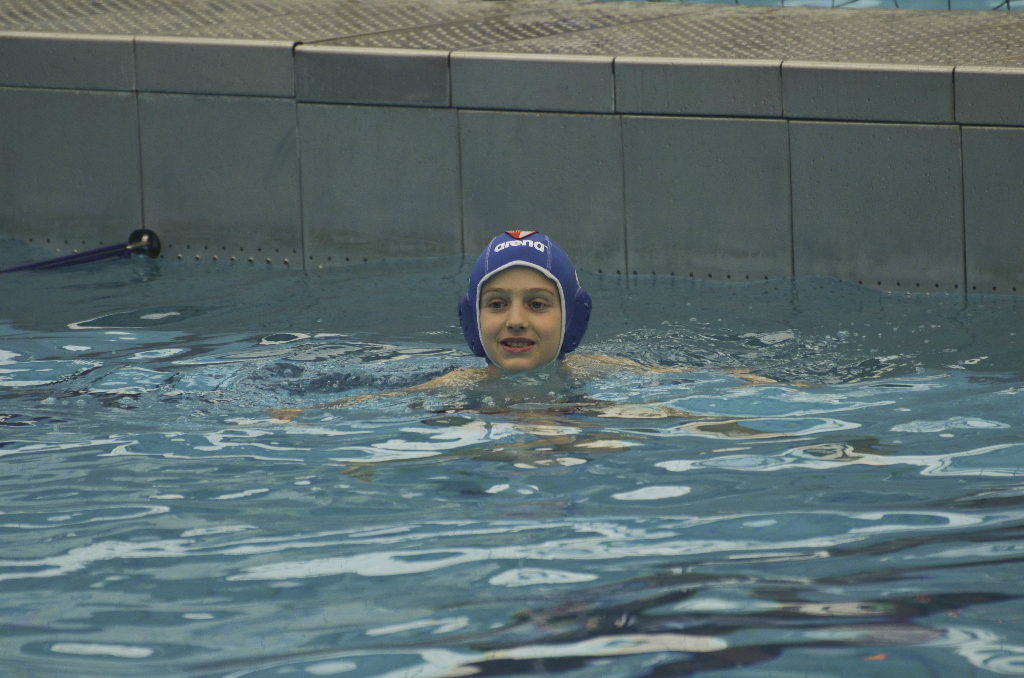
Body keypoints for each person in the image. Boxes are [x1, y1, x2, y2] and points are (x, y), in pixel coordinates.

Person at [268, 231, 771, 422]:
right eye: (496, 304)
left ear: (572, 320)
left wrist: (743, 382)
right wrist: (306, 415)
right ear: (473, 320)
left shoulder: (596, 371)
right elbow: (377, 404)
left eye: (537, 303)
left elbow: (674, 382)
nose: (515, 320)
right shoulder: (459, 386)